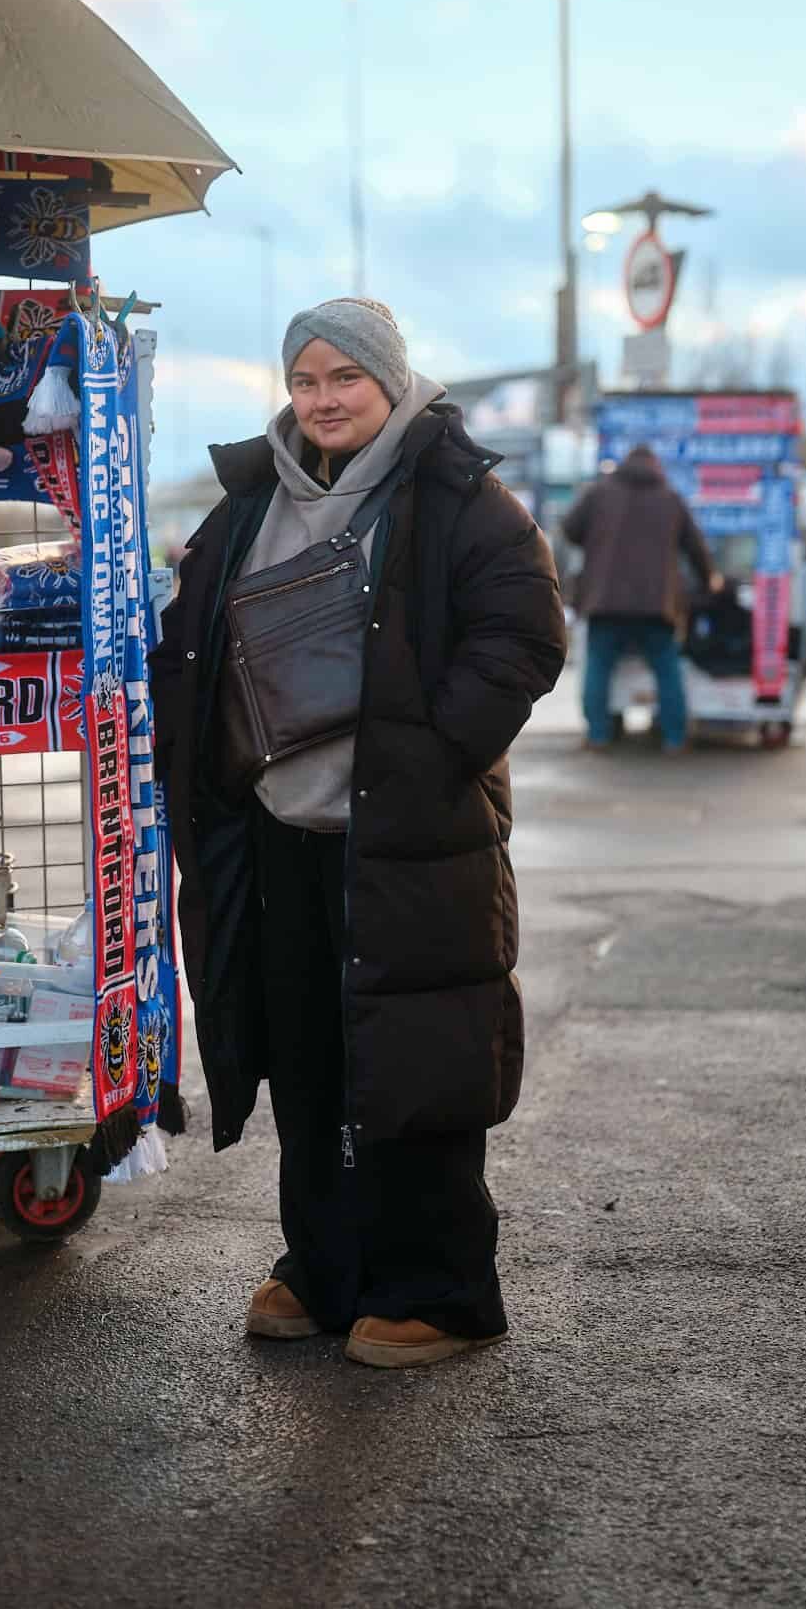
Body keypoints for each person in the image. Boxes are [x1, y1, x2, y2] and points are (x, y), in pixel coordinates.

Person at [150, 299, 565, 1370]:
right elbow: (196, 638)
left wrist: (432, 754)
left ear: (391, 380)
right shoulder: (252, 498)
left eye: (346, 377)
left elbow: (525, 632)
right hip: (280, 835)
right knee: (307, 1057)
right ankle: (324, 1268)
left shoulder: (458, 496)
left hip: (412, 838)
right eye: (306, 379)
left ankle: (438, 1289)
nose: (323, 399)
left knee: (415, 1057)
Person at [562, 445, 720, 753]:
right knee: (666, 669)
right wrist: (709, 580)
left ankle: (598, 735)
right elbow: (696, 548)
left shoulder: (598, 494)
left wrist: (597, 539)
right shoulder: (671, 499)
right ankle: (674, 738)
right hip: (656, 604)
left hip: (604, 601)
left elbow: (569, 530)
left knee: (598, 667)